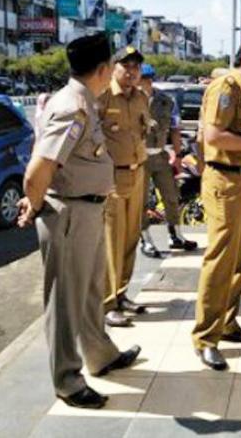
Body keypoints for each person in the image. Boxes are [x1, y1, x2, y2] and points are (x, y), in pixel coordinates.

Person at [16, 34, 140, 409]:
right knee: (66, 300)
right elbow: (40, 168)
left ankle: (99, 354)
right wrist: (33, 203)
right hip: (69, 214)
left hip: (87, 210)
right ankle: (67, 381)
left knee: (89, 291)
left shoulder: (84, 101)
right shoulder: (72, 107)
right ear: (103, 70)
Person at [192, 37, 241, 371]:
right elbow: (212, 136)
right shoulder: (225, 86)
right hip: (224, 179)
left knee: (240, 256)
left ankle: (228, 323)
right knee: (221, 258)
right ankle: (206, 338)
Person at [98, 46, 150, 327]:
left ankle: (122, 294)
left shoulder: (141, 97)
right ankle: (107, 303)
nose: (131, 72)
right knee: (111, 242)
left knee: (131, 238)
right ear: (113, 67)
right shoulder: (102, 97)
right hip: (112, 178)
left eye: (136, 67)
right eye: (125, 66)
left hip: (137, 173)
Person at [137, 63, 197, 258]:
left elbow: (175, 129)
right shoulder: (131, 102)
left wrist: (178, 155)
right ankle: (145, 239)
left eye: (148, 79)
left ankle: (175, 235)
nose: (145, 83)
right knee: (142, 201)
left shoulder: (166, 101)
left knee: (171, 196)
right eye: (143, 79)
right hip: (139, 157)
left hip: (161, 155)